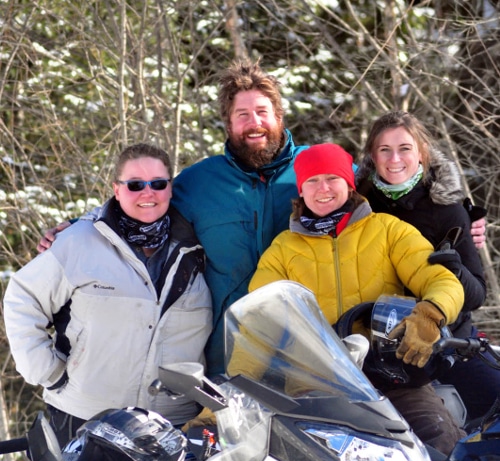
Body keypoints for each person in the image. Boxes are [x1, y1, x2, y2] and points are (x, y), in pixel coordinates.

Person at [35, 59, 486, 378]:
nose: (254, 123)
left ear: (278, 116)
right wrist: (78, 226)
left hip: (333, 355)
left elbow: (392, 183)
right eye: (242, 114)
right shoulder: (199, 182)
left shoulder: (318, 167)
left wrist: (459, 217)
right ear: (228, 123)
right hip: (232, 350)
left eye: (262, 112)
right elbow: (142, 202)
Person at [248, 142, 466, 454]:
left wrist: (430, 313)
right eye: (312, 180)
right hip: (318, 387)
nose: (323, 188)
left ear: (349, 184)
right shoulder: (283, 250)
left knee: (441, 446)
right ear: (301, 190)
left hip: (394, 378)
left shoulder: (388, 231)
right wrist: (226, 400)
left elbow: (442, 279)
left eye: (332, 178)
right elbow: (257, 324)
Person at [3, 143, 212, 447]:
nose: (147, 192)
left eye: (158, 183)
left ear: (170, 188)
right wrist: (48, 372)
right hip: (85, 414)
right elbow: (23, 298)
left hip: (170, 422)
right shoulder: (80, 241)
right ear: (116, 189)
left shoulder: (196, 248)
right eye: (135, 184)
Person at [356, 110, 500, 420]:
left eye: (405, 148)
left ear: (422, 153)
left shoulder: (446, 209)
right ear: (372, 155)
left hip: (447, 339)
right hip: (380, 346)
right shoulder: (358, 205)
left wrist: (456, 269)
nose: (395, 158)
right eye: (385, 149)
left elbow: (476, 295)